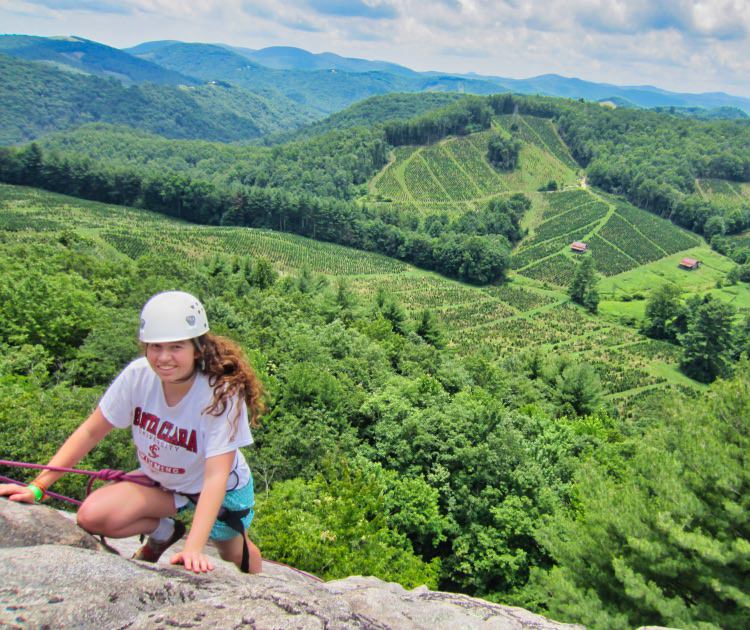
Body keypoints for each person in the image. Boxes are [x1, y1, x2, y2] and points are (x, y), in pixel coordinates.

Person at [0, 291, 263, 574]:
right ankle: (165, 531)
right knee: (92, 516)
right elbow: (91, 431)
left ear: (197, 348)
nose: (164, 358)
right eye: (155, 347)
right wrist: (37, 487)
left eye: (176, 347)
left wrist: (193, 549)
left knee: (233, 551)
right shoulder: (139, 376)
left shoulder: (219, 393)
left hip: (218, 492)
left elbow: (215, 476)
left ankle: (262, 591)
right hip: (164, 483)